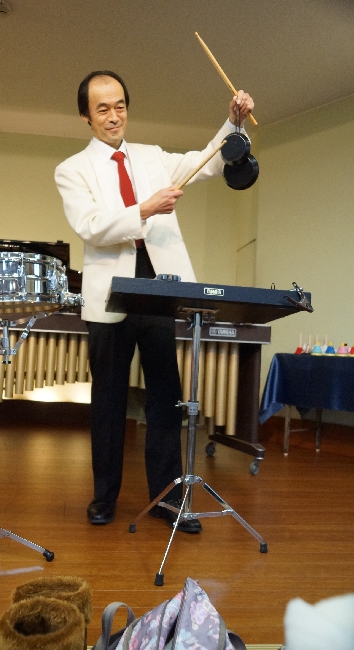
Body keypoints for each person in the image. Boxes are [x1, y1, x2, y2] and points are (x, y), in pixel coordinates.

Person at [55, 70, 254, 532]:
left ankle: (167, 499)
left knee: (165, 397)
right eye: (102, 109)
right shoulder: (72, 169)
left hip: (162, 290)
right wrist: (146, 208)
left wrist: (233, 123)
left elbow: (207, 161)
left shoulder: (151, 156)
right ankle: (104, 496)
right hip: (110, 294)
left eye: (120, 106)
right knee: (108, 400)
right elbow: (91, 226)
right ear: (86, 116)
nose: (114, 116)